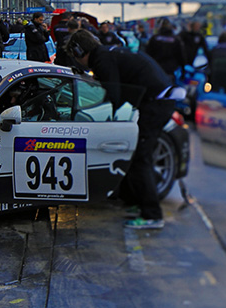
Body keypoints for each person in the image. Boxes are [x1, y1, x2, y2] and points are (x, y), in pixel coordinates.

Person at [65, 29, 175, 230]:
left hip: (157, 103)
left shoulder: (102, 60)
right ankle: (136, 202)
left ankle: (152, 214)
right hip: (156, 99)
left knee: (141, 157)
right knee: (133, 154)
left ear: (80, 51)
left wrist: (101, 121)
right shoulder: (107, 53)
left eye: (74, 56)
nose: (76, 61)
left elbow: (113, 96)